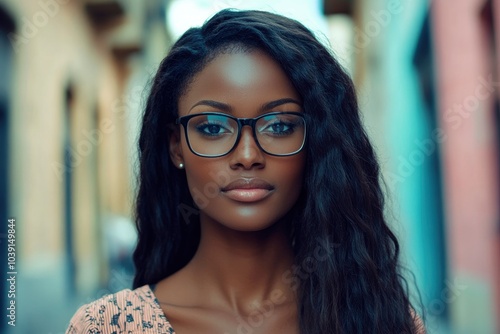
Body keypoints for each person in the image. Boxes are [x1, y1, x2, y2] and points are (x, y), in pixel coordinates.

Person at [66, 9, 425, 334]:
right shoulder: (105, 328)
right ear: (176, 145)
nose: (247, 155)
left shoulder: (383, 320)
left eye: (280, 126)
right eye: (212, 127)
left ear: (316, 141)